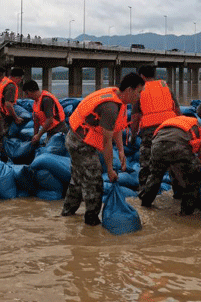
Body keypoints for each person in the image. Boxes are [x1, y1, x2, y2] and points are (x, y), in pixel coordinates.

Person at [61, 72, 145, 226]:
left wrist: (121, 150)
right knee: (94, 181)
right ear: (129, 90)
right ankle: (91, 221)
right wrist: (110, 169)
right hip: (79, 142)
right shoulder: (110, 107)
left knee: (78, 179)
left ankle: (67, 214)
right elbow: (106, 143)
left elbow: (117, 127)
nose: (140, 96)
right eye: (139, 92)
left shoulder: (118, 97)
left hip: (78, 137)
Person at [139, 102, 201, 215]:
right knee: (193, 178)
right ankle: (186, 213)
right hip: (179, 145)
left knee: (155, 176)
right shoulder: (199, 126)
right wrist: (197, 170)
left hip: (157, 145)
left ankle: (145, 205)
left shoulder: (172, 121)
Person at [129, 64, 180, 189]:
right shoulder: (166, 87)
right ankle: (178, 192)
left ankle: (144, 193)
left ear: (141, 76)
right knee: (173, 162)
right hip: (170, 129)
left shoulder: (139, 91)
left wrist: (133, 136)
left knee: (147, 164)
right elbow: (178, 111)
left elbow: (135, 118)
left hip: (150, 132)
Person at [22, 80, 67, 145]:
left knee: (53, 150)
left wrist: (39, 135)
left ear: (32, 91)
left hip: (59, 131)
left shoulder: (46, 100)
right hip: (50, 131)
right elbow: (36, 121)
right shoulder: (36, 102)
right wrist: (35, 136)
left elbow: (50, 119)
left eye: (27, 93)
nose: (27, 96)